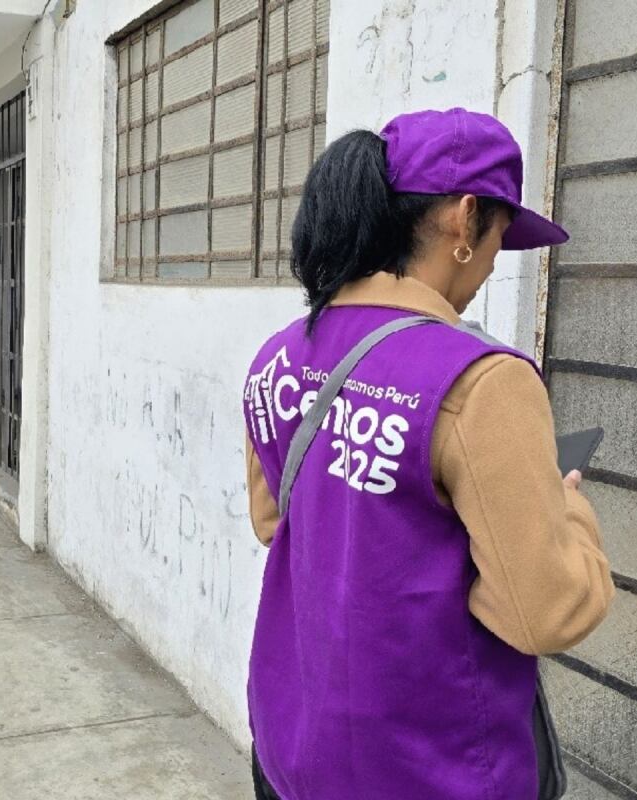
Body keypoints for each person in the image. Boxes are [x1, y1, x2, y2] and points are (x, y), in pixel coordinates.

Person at [242, 109, 615, 799]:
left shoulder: (279, 357)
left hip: (290, 749)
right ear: (465, 220)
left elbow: (275, 524)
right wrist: (564, 504)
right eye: (504, 235)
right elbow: (544, 611)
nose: (498, 260)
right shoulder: (481, 381)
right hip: (426, 770)